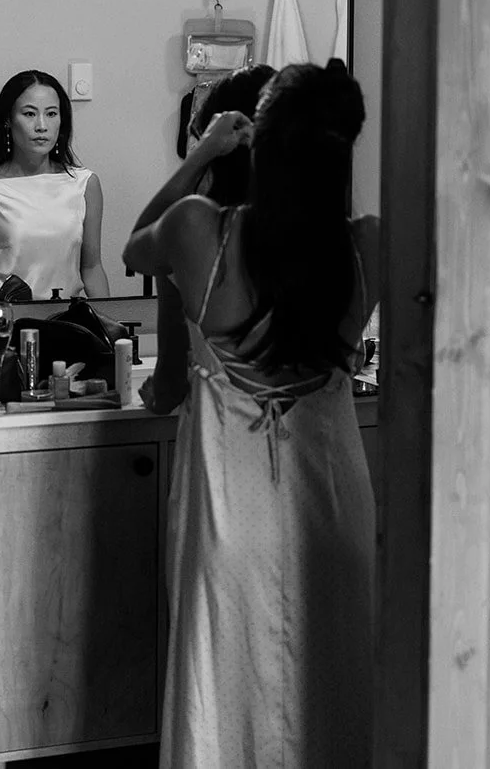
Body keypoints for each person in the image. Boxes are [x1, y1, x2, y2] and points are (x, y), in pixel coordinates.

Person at [123, 60, 380, 768]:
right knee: (334, 681)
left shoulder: (199, 230)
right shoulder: (367, 245)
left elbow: (133, 245)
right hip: (333, 512)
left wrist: (202, 151)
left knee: (225, 682)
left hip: (229, 516)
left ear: (258, 144)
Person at [142, 63, 276, 416]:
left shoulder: (189, 241)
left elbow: (169, 388)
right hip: (313, 453)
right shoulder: (335, 236)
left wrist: (199, 155)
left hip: (224, 449)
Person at [0, 70, 111, 299]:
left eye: (51, 114)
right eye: (29, 114)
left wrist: (107, 327)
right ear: (9, 120)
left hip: (70, 323)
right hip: (7, 323)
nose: (41, 126)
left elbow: (91, 268)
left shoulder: (84, 184)